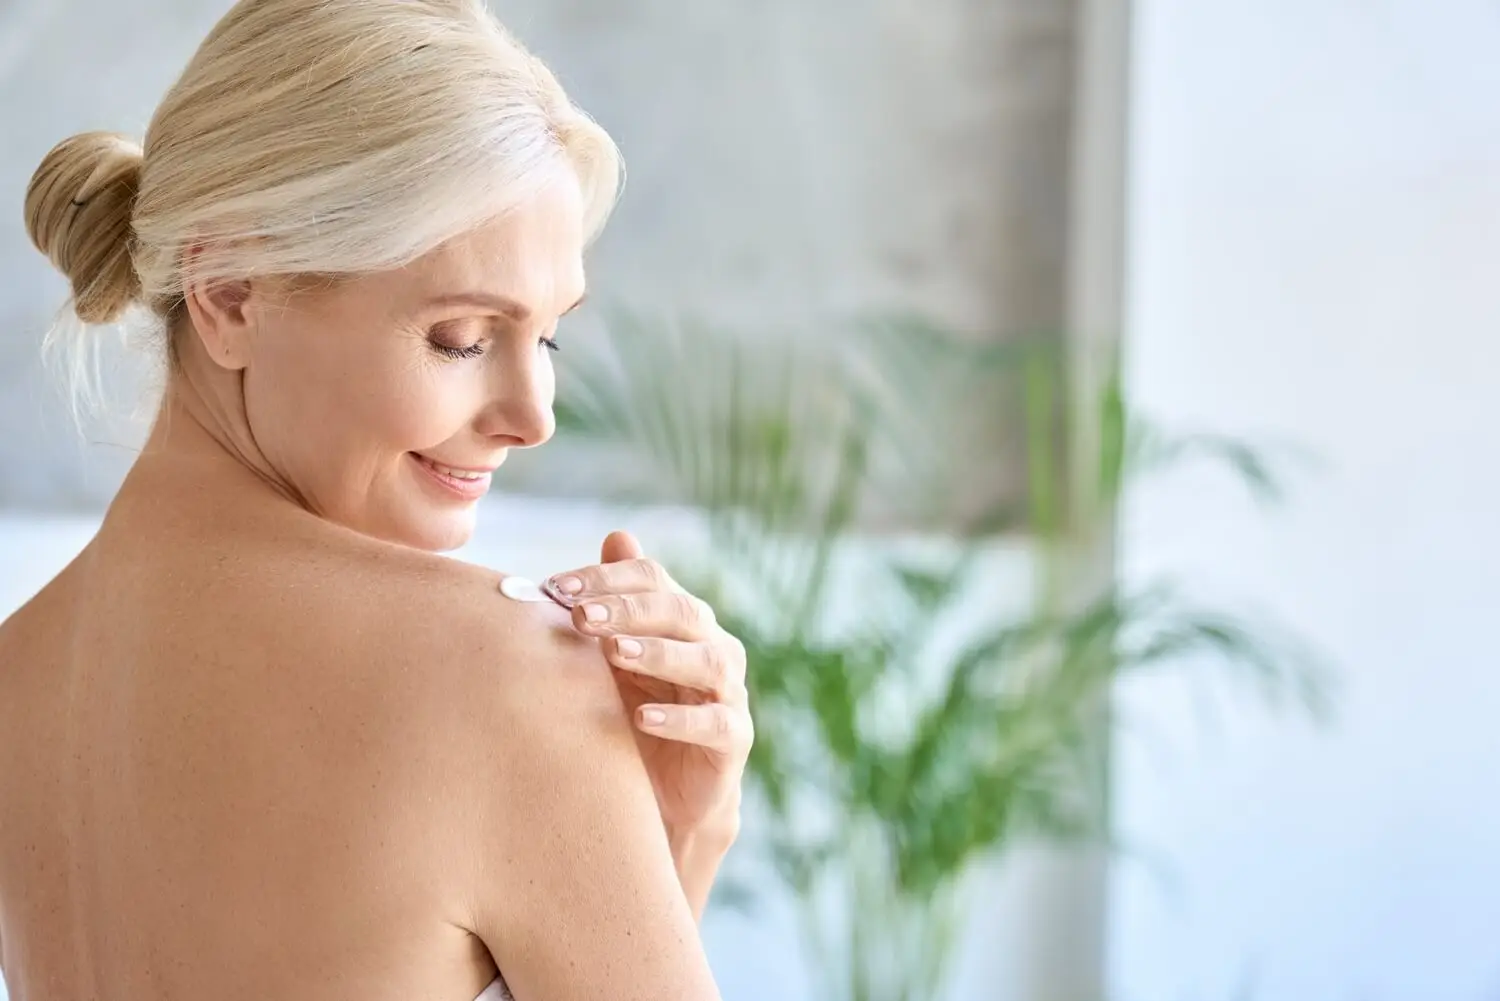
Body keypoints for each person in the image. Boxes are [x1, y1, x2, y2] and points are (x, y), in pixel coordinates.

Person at [0, 2, 750, 999]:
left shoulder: (17, 676)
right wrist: (693, 832)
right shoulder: (505, 677)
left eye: (548, 336)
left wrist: (668, 840)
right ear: (229, 293)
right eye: (462, 339)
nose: (534, 416)